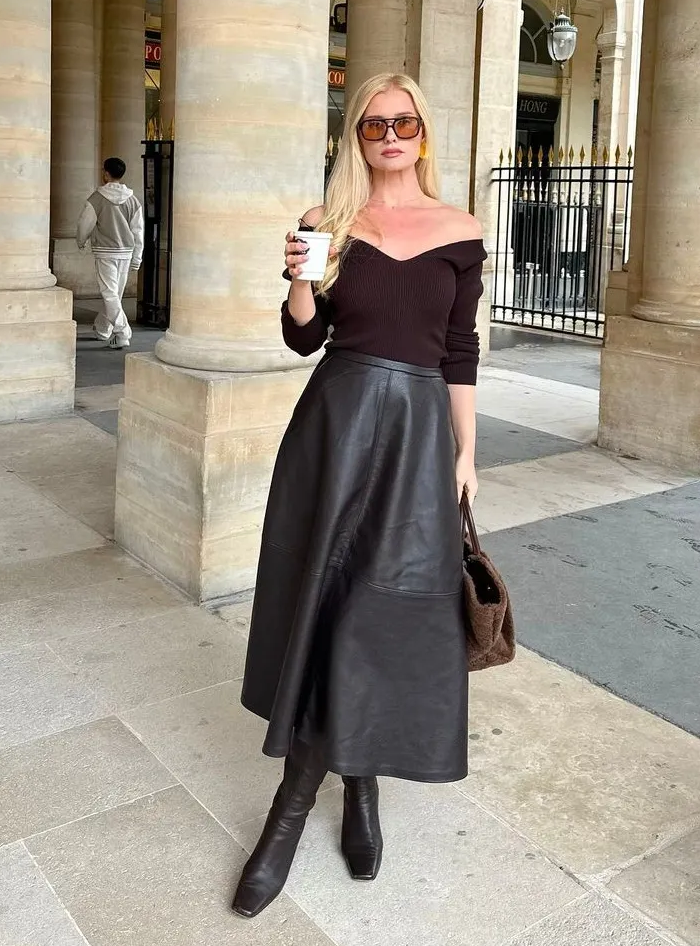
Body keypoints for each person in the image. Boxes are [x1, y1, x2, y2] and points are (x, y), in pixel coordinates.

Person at [232, 73, 485, 918]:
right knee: (326, 602)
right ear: (356, 136)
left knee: (382, 609)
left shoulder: (460, 229)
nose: (390, 136)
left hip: (417, 433)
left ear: (423, 131)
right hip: (335, 428)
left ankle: (360, 785)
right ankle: (291, 813)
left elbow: (458, 348)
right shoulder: (328, 220)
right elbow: (303, 336)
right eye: (374, 124)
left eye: (403, 122)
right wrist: (300, 277)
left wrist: (466, 452)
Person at [76, 157, 144, 349]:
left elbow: (84, 224)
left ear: (106, 173)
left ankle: (122, 332)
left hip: (105, 251)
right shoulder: (133, 201)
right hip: (126, 252)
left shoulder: (96, 199)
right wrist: (137, 257)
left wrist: (81, 241)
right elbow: (138, 231)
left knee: (109, 294)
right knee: (115, 295)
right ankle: (103, 329)